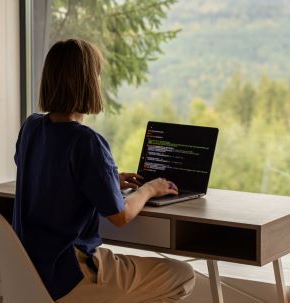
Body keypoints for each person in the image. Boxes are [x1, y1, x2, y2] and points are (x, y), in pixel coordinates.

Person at [13, 39, 196, 302]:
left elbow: (44, 170)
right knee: (183, 275)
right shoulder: (86, 141)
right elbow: (121, 216)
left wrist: (106, 181)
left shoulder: (31, 127)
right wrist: (149, 189)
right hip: (71, 275)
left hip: (32, 273)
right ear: (88, 82)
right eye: (97, 75)